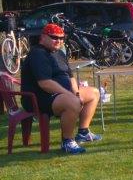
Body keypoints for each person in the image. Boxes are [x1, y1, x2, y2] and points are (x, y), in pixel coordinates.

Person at [20, 23, 102, 154]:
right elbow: (45, 83)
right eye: (54, 37)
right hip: (39, 98)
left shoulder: (59, 53)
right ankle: (67, 142)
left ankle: (83, 132)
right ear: (43, 37)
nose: (58, 41)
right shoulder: (38, 54)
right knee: (73, 102)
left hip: (60, 95)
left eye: (61, 38)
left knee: (94, 93)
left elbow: (70, 76)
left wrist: (76, 92)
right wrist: (69, 95)